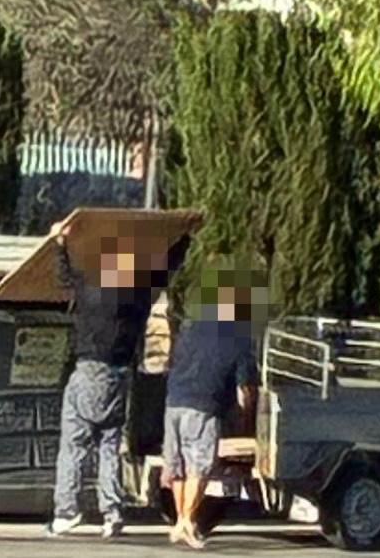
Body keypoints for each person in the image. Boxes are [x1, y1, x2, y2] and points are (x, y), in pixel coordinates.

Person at [45, 217, 163, 540]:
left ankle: (66, 512)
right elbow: (163, 274)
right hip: (119, 375)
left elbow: (62, 276)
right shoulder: (138, 297)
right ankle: (112, 513)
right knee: (110, 445)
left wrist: (59, 243)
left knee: (74, 445)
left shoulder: (90, 288)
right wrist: (180, 242)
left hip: (88, 371)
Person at [163, 275, 258, 550]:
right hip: (203, 406)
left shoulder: (190, 329)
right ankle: (187, 521)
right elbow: (244, 390)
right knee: (199, 467)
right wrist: (246, 415)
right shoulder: (239, 339)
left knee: (177, 465)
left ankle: (180, 521)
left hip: (174, 401)